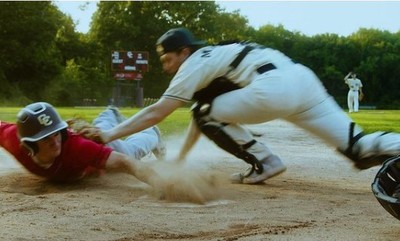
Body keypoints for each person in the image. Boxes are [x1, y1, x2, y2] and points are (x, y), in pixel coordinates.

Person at [92, 27, 400, 185]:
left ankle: (265, 163)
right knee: (358, 148)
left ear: (183, 51)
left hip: (271, 88)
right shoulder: (219, 55)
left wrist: (107, 136)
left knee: (204, 112)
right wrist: (180, 160)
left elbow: (160, 111)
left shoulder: (196, 62)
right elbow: (200, 121)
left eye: (168, 58)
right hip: (302, 80)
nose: (167, 66)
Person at [0, 102, 164, 183]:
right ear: (28, 145)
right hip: (86, 148)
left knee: (129, 152)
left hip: (96, 148)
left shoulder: (77, 147)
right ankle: (109, 113)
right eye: (45, 138)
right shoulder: (11, 139)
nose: (55, 141)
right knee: (101, 128)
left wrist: (161, 183)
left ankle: (151, 133)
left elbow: (126, 162)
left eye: (56, 133)